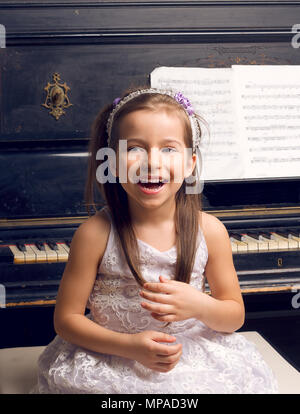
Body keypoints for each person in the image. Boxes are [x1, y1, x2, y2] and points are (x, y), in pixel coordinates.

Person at [32, 87, 278, 394]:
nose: (152, 162)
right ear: (112, 161)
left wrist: (200, 305)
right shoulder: (94, 234)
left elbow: (234, 316)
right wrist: (129, 346)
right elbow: (66, 320)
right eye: (135, 148)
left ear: (190, 163)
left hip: (191, 356)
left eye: (169, 149)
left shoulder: (211, 231)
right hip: (115, 354)